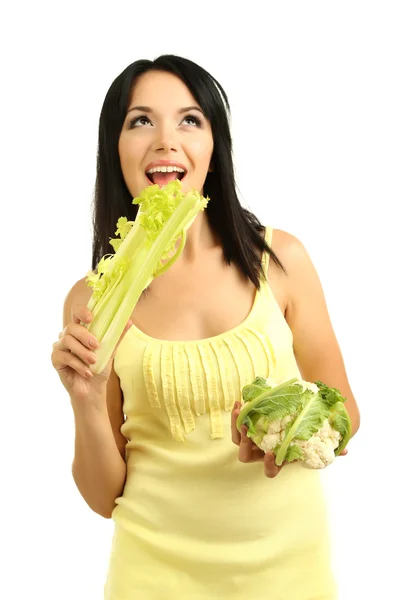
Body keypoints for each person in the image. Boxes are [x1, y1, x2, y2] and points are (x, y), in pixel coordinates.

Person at [51, 54, 360, 600]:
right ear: (115, 150)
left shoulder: (280, 260)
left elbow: (346, 415)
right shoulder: (94, 300)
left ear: (213, 150)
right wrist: (85, 397)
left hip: (288, 575)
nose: (166, 140)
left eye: (190, 120)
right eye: (140, 120)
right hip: (152, 578)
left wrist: (288, 429)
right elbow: (104, 497)